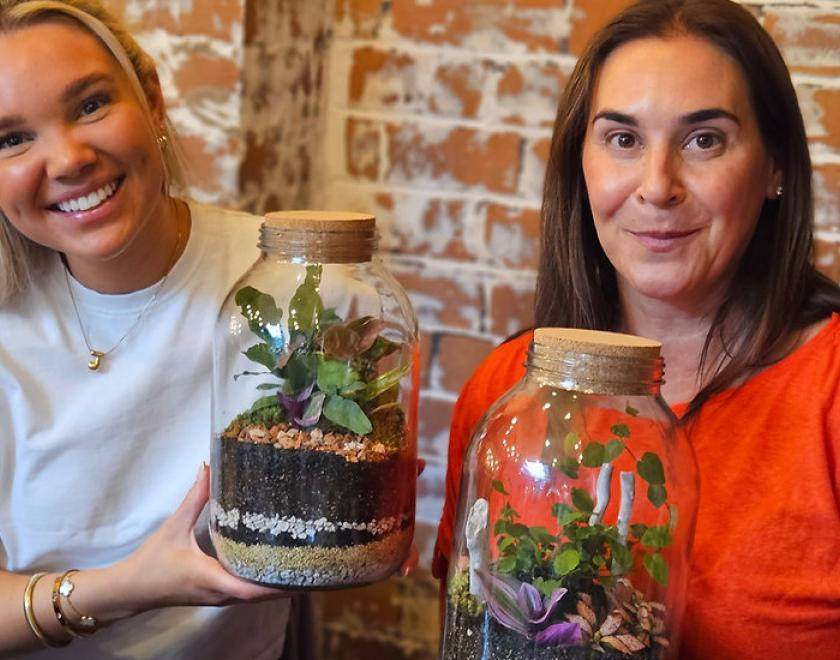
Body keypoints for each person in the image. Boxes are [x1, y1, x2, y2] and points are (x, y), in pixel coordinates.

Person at [433, 0, 840, 658]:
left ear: (777, 168)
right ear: (581, 165)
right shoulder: (506, 394)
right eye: (623, 139)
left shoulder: (828, 393)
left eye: (703, 140)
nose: (657, 186)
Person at [0, 0, 299, 657]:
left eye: (90, 105)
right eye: (11, 139)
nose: (69, 158)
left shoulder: (285, 279)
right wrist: (126, 587)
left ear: (153, 101)